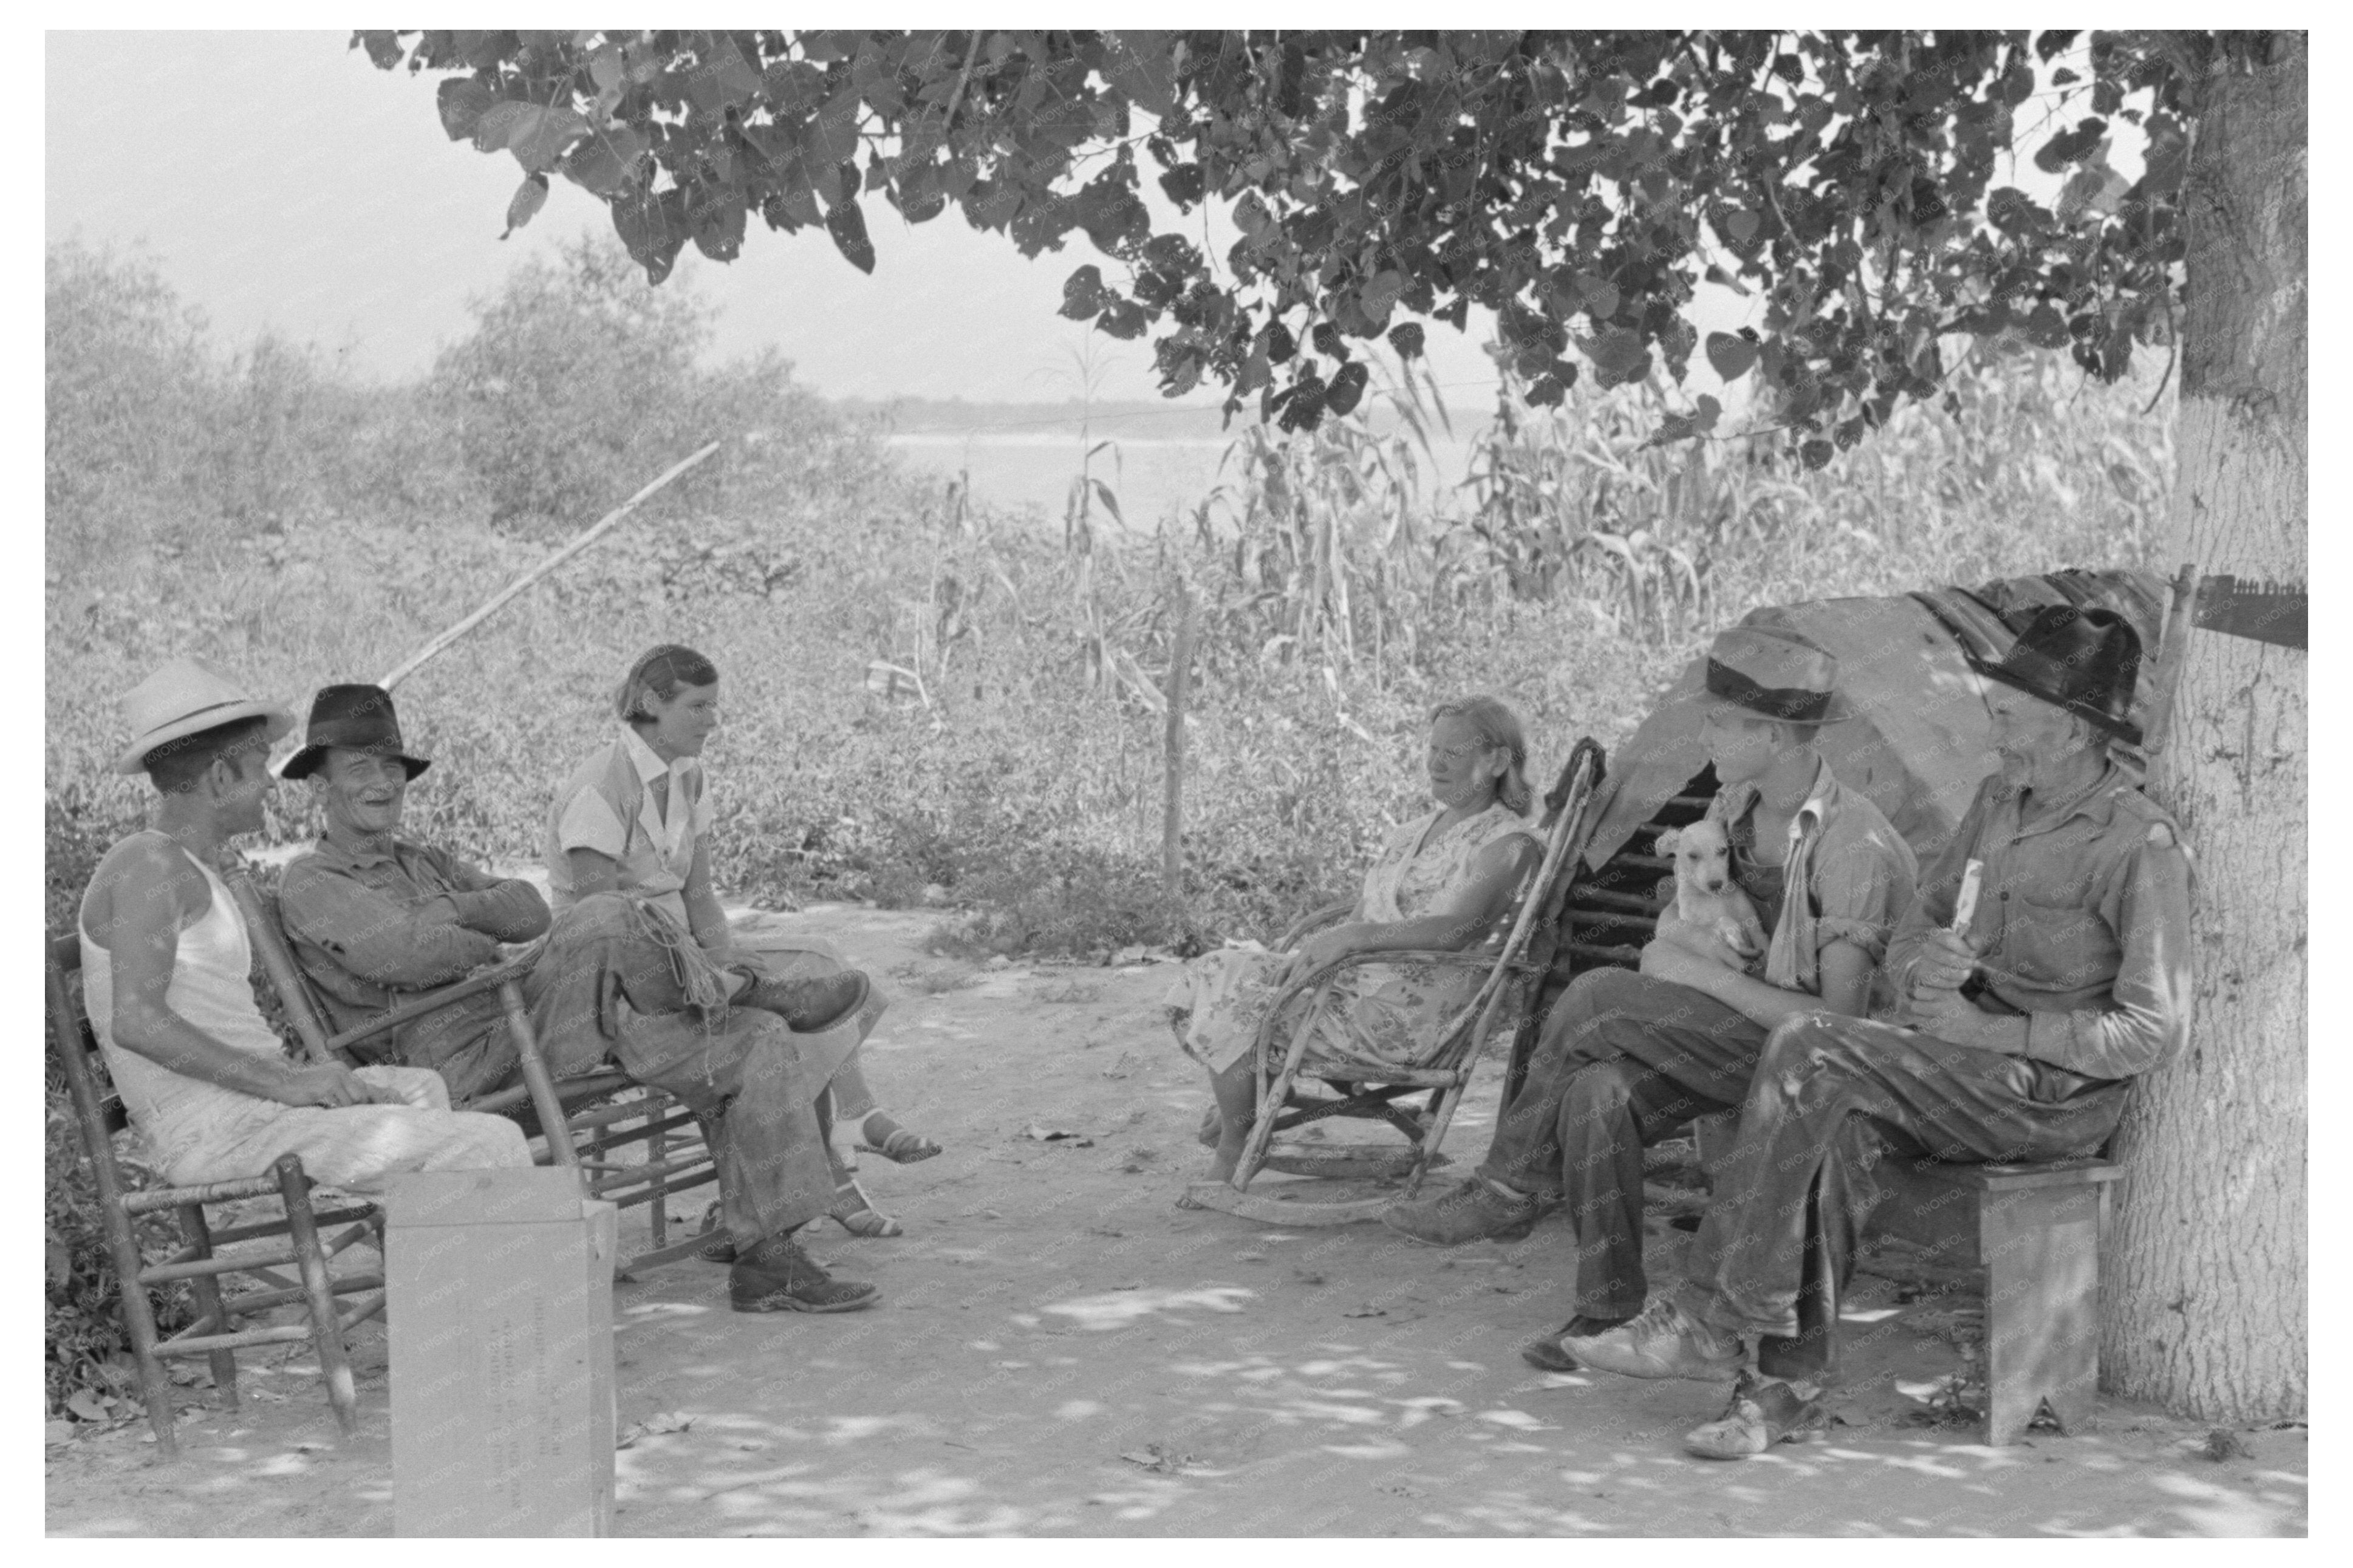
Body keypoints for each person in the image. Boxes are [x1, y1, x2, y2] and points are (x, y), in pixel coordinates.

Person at [1557, 606, 2193, 1460]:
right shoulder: (1997, 802)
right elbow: (1916, 924)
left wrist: (1991, 1026)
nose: (1993, 723)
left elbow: (2150, 1031)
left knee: (1812, 1045)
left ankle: (1708, 1319)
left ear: (2076, 730)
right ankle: (1777, 1391)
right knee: (1833, 1123)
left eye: (2011, 711)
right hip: (1954, 1063)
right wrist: (1924, 966)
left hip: (2046, 1097)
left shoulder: (2136, 842)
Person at [1384, 629, 1919, 1379]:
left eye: (1721, 724)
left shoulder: (1849, 843)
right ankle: (1607, 1304)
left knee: (1598, 994)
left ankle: (1509, 1187)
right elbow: (1688, 910)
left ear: (1772, 734)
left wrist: (1690, 971)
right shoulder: (1736, 807)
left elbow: (1835, 1023)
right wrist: (1684, 945)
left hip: (1818, 1066)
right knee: (1598, 1093)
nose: (1705, 737)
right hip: (1744, 1037)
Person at [273, 680, 882, 1312]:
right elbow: (409, 955)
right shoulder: (312, 880)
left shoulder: (422, 860)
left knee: (754, 1039)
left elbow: (528, 908)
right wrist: (472, 936)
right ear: (319, 788)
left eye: (392, 766)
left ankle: (769, 1263)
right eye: (360, 768)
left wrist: (451, 909)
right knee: (607, 914)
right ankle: (744, 986)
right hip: (453, 1066)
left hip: (531, 1025)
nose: (383, 782)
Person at [77, 658, 531, 1195]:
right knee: (490, 1142)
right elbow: (136, 1021)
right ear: (222, 776)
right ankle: (486, 1272)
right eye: (259, 766)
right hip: (213, 1131)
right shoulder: (147, 866)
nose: (271, 784)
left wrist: (293, 1083)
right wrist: (288, 1083)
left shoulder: (191, 865)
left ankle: (427, 1269)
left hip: (249, 1108)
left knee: (419, 1090)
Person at [545, 644, 940, 1244]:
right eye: (698, 706)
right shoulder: (600, 788)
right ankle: (833, 1158)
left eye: (714, 706)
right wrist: (706, 974)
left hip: (687, 957)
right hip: (617, 989)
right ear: (652, 702)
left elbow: (700, 895)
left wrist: (723, 958)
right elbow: (601, 925)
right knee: (773, 1011)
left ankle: (847, 1126)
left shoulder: (688, 776)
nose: (712, 720)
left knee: (821, 957)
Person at [1166, 696, 1544, 1183]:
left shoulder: (1508, 845)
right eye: (1432, 749)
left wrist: (1353, 938)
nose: (1434, 763)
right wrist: (1331, 948)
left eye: (1452, 753)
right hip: (1354, 986)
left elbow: (1457, 930)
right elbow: (1368, 913)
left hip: (1406, 1015)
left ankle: (1237, 1141)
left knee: (1236, 1006)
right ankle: (1245, 1104)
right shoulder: (1415, 832)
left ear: (1495, 761)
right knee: (1217, 970)